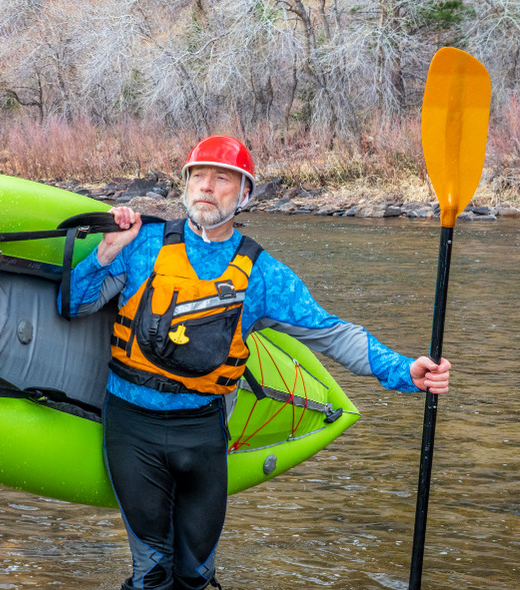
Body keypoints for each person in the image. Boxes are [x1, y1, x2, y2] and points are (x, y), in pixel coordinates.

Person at [61, 135, 451, 590]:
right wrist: (105, 252)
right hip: (132, 432)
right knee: (151, 575)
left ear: (244, 194)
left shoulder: (264, 275)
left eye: (222, 178)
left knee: (196, 577)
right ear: (185, 185)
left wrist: (404, 371)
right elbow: (72, 305)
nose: (206, 186)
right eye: (198, 176)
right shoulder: (139, 243)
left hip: (202, 434)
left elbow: (332, 333)